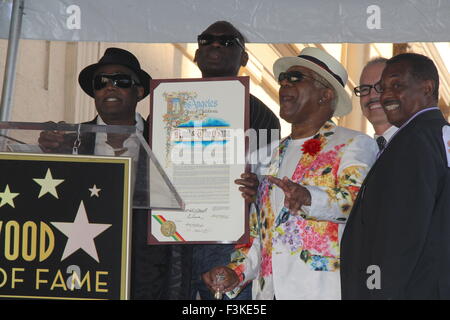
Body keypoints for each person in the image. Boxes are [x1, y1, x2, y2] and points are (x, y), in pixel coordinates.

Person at [202, 47, 378, 299]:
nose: (284, 83)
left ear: (325, 94)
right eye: (282, 78)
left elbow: (358, 204)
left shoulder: (354, 144)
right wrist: (236, 272)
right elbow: (260, 234)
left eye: (295, 78)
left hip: (324, 291)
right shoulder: (270, 154)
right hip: (269, 293)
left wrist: (309, 198)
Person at [38, 47, 171, 299]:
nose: (109, 87)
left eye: (120, 81)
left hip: (147, 276)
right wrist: (46, 150)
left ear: (139, 91)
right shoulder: (72, 139)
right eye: (101, 82)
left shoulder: (165, 141)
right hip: (83, 270)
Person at [341, 53, 450, 299]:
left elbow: (399, 235)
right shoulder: (439, 136)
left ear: (427, 88)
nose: (385, 95)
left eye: (396, 86)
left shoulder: (412, 141)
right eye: (383, 88)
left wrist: (378, 292)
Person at [187, 20, 281, 300]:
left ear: (244, 57)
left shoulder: (263, 116)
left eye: (228, 41)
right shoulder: (169, 105)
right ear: (196, 53)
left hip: (233, 246)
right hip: (176, 242)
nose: (215, 45)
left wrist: (258, 186)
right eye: (207, 40)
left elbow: (269, 186)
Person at [354, 58, 397, 150]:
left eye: (381, 87)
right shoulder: (361, 153)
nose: (372, 95)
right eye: (365, 89)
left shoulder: (419, 144)